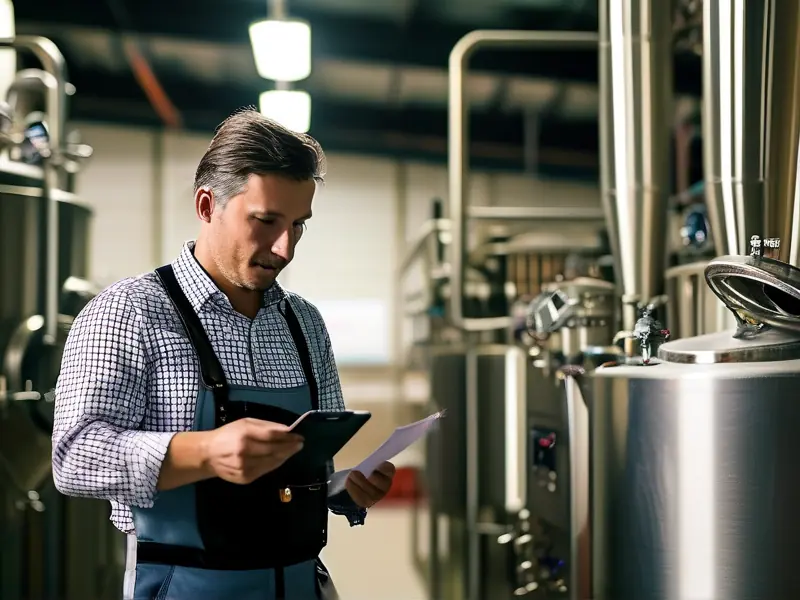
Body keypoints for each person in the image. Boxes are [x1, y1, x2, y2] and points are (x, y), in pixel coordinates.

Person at [51, 108, 397, 600]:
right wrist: (206, 451)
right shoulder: (131, 311)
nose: (285, 248)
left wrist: (341, 488)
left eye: (299, 225)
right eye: (265, 221)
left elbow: (306, 470)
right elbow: (73, 456)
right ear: (207, 205)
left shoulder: (305, 324)